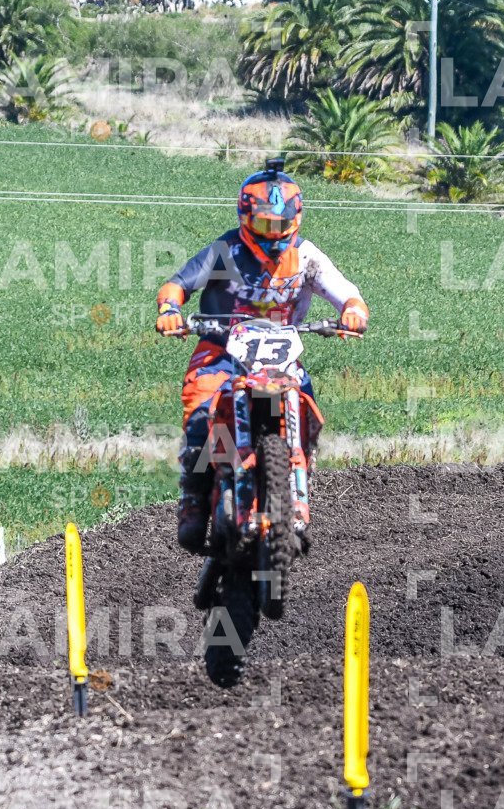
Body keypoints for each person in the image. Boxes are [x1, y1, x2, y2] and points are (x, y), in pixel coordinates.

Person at [154, 161, 369, 552]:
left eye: (279, 224)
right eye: (264, 224)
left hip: (280, 355)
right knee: (201, 417)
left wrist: (353, 312)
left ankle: (295, 490)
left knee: (308, 411)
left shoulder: (307, 256)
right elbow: (177, 285)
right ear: (245, 217)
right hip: (220, 350)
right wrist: (170, 309)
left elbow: (347, 293)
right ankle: (193, 500)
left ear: (295, 219)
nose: (273, 233)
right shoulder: (225, 251)